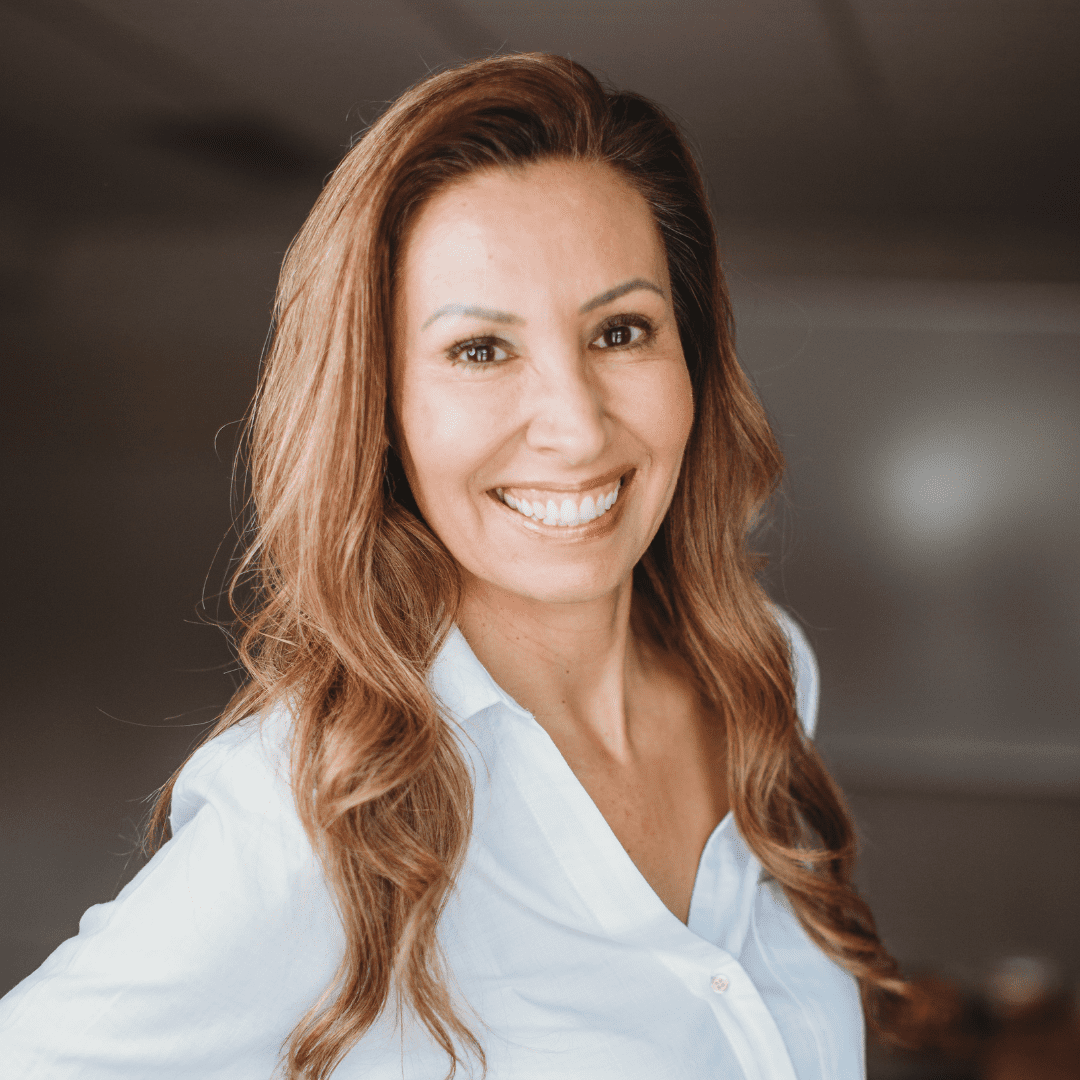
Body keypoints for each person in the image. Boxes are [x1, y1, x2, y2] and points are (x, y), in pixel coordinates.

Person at [0, 52, 907, 1079]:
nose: (574, 426)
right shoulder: (317, 817)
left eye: (621, 331)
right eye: (481, 349)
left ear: (692, 360)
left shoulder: (763, 672)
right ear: (381, 410)